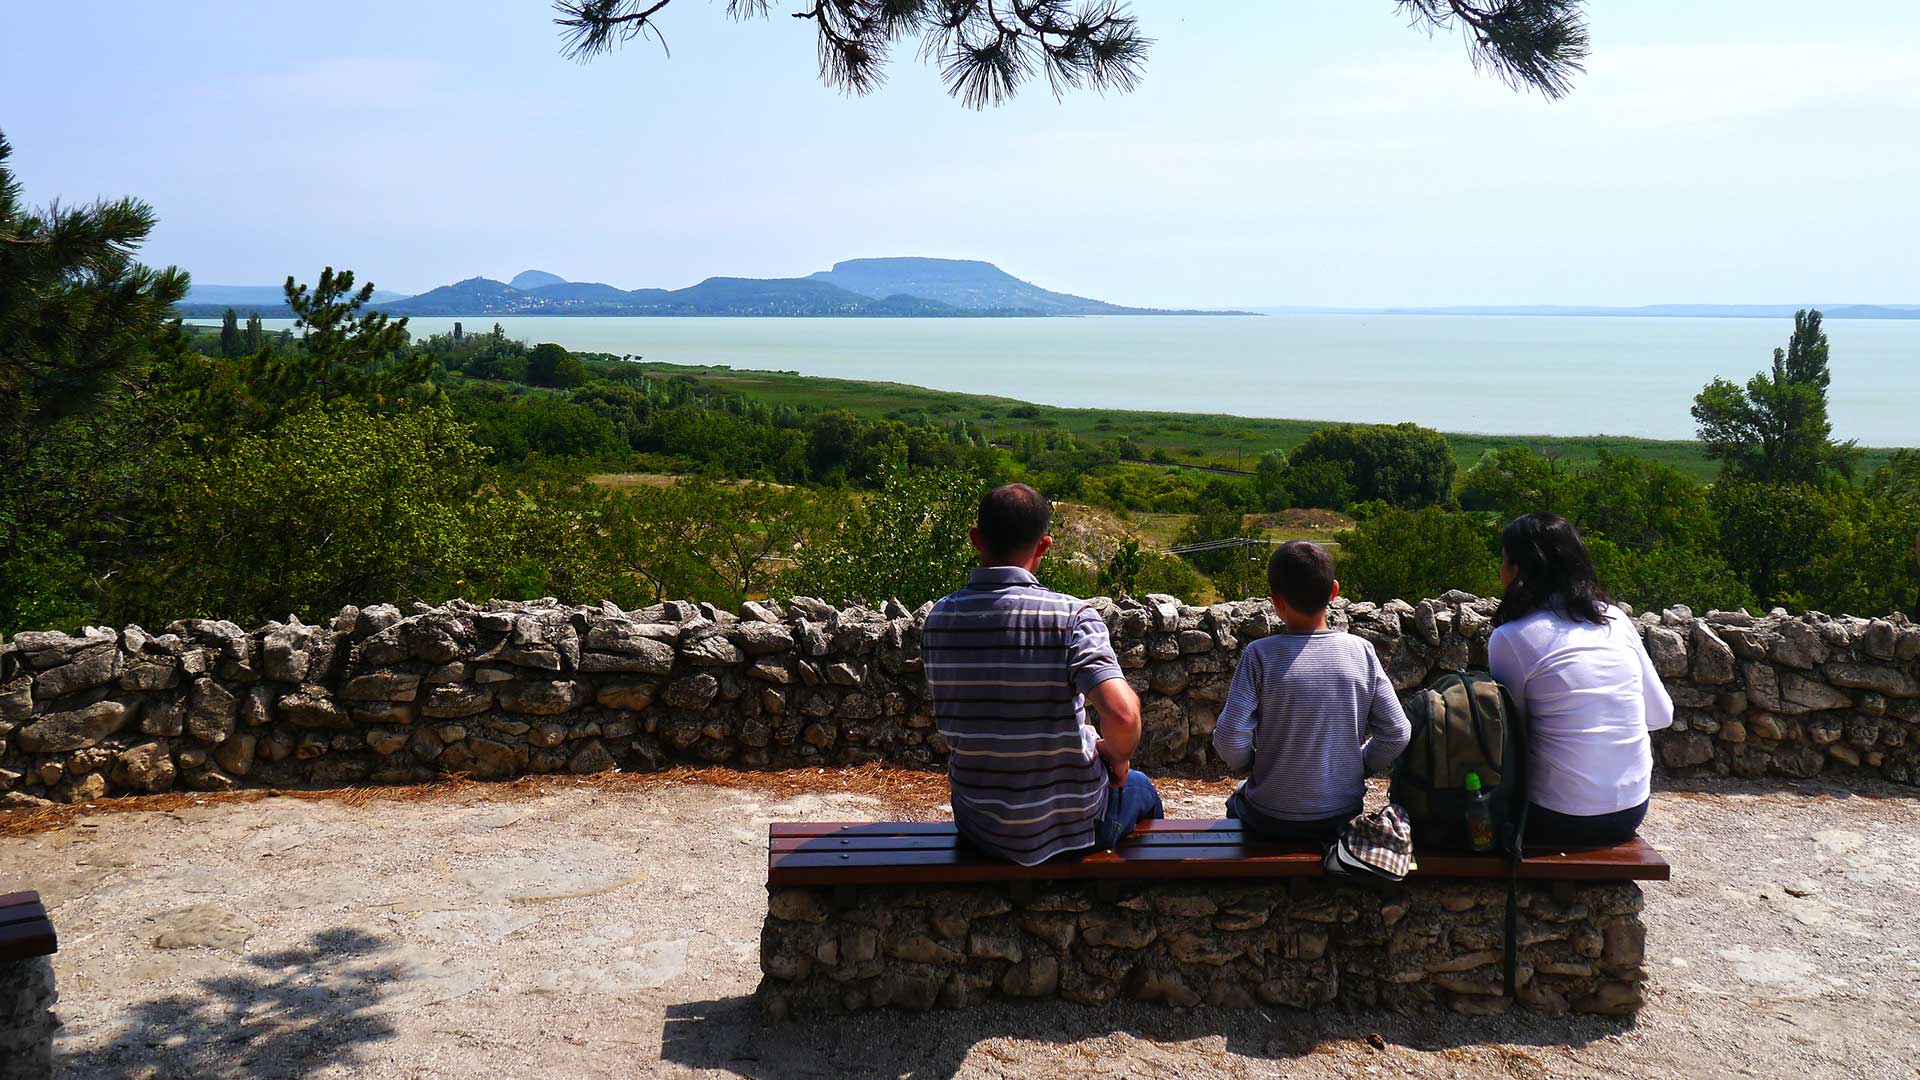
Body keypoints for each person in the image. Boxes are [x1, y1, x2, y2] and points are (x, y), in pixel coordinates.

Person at [922, 483, 1162, 865]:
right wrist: (1116, 756)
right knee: (1140, 788)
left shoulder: (939, 619)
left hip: (980, 824)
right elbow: (1123, 714)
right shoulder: (1072, 618)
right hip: (1069, 828)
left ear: (976, 540)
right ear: (1043, 546)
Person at [1488, 512, 1674, 847]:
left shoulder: (1511, 638)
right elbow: (1662, 715)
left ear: (1518, 572)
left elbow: (1512, 740)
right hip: (1631, 809)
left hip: (1555, 815)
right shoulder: (1615, 619)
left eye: (1503, 561)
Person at [1212, 541, 1411, 843]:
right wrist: (1361, 765)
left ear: (1276, 602)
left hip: (1270, 817)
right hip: (1340, 817)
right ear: (1334, 591)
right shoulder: (1361, 652)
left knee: (1236, 804)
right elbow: (1396, 732)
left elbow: (1228, 737)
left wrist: (1248, 764)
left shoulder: (1259, 655)